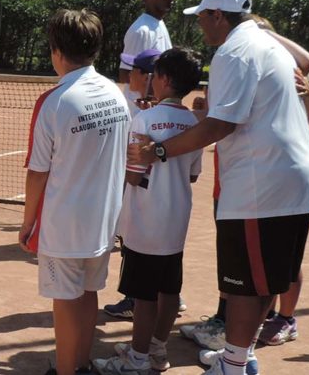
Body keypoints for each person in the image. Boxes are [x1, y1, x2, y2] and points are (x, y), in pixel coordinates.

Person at [128, 0, 309, 375]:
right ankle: (239, 356)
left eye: (202, 16)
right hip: (293, 180)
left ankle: (232, 367)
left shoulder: (234, 51)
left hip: (260, 184)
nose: (199, 23)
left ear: (218, 15)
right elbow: (302, 64)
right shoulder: (269, 46)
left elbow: (220, 125)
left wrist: (159, 151)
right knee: (264, 280)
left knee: (245, 284)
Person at [20, 9, 129, 375]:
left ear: (56, 50)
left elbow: (38, 172)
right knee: (87, 292)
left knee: (65, 301)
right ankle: (80, 366)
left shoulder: (55, 101)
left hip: (65, 224)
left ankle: (67, 370)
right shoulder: (115, 93)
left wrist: (28, 223)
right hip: (104, 220)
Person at [92, 48, 204, 375]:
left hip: (145, 219)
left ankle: (137, 359)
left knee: (143, 296)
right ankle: (157, 348)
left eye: (155, 75)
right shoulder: (194, 122)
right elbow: (193, 174)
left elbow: (133, 176)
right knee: (169, 290)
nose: (151, 81)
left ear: (164, 79)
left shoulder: (144, 119)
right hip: (176, 219)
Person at [105, 0, 177, 319]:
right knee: (141, 205)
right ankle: (156, 293)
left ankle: (145, 294)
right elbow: (126, 75)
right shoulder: (141, 29)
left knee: (139, 208)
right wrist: (146, 106)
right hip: (141, 120)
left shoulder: (157, 26)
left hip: (152, 120)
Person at [117, 0, 175, 117]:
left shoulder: (159, 24)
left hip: (153, 113)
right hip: (138, 114)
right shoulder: (141, 31)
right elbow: (125, 74)